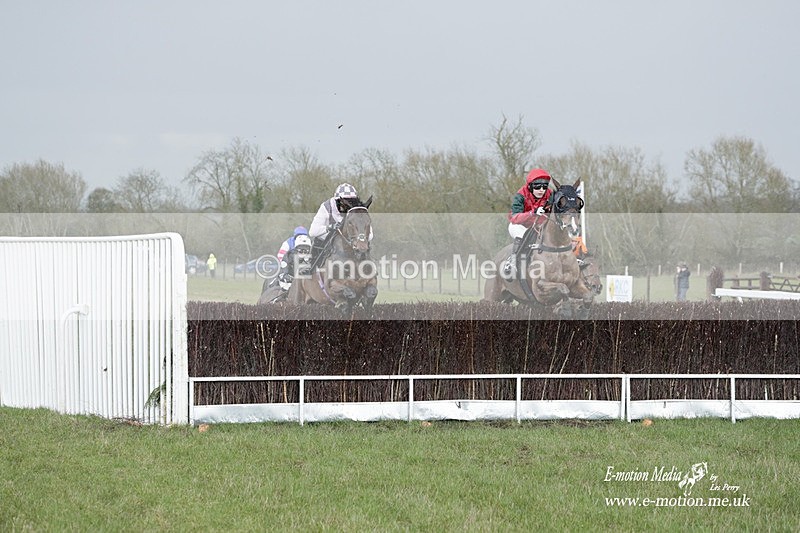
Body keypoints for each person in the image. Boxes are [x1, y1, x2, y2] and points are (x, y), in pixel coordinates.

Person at [502, 168, 553, 276]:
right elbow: (515, 217)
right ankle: (512, 262)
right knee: (522, 236)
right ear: (530, 186)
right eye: (537, 187)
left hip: (539, 226)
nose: (541, 190)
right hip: (520, 225)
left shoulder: (550, 194)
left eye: (544, 187)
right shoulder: (520, 195)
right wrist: (532, 213)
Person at [308, 183, 372, 263]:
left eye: (350, 201)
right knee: (318, 241)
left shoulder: (357, 211)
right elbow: (312, 232)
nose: (346, 205)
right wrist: (330, 227)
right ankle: (311, 266)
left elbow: (370, 235)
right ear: (337, 201)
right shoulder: (326, 207)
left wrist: (361, 237)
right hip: (326, 239)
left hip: (350, 241)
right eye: (343, 202)